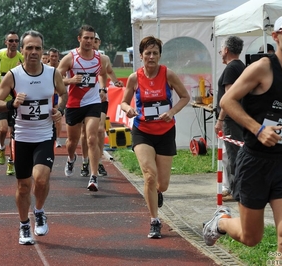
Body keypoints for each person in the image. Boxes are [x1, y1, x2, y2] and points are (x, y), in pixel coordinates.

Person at [203, 14, 282, 261]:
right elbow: (227, 101)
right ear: (276, 36)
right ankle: (221, 222)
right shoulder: (262, 68)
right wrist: (258, 129)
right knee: (251, 237)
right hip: (255, 161)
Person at [0, 30, 67, 245]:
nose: (33, 52)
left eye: (37, 48)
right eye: (29, 48)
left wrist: (60, 109)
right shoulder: (14, 76)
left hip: (44, 135)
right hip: (22, 136)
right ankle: (24, 225)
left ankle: (39, 210)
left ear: (42, 50)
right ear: (22, 50)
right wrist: (11, 104)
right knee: (24, 186)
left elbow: (63, 94)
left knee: (41, 179)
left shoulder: (52, 73)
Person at [121, 36, 190, 239]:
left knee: (163, 184)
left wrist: (172, 112)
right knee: (149, 175)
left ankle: (157, 193)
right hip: (142, 130)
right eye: (147, 53)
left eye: (155, 53)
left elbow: (185, 97)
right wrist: (129, 109)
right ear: (141, 56)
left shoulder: (168, 74)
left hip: (166, 131)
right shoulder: (135, 78)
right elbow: (124, 102)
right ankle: (154, 220)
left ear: (160, 55)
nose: (151, 57)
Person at [57, 25, 107, 192]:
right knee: (72, 142)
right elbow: (56, 78)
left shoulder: (101, 58)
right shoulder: (70, 58)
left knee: (92, 138)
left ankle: (93, 177)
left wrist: (102, 89)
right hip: (74, 104)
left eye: (92, 38)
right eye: (86, 38)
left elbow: (103, 73)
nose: (89, 41)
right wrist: (71, 81)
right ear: (79, 39)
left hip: (92, 103)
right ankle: (71, 158)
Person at [80, 32, 124, 177]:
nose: (93, 43)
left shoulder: (103, 58)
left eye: (96, 40)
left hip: (101, 99)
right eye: (91, 40)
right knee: (84, 133)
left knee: (99, 130)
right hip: (84, 99)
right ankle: (85, 161)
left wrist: (115, 81)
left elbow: (109, 71)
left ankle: (98, 162)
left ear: (98, 42)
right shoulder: (79, 57)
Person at [0, 31, 23, 176]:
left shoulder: (21, 58)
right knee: (2, 130)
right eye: (11, 41)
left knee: (14, 134)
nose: (14, 43)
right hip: (0, 99)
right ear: (5, 42)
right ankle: (1, 148)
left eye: (16, 41)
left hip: (14, 101)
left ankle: (11, 162)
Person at [215, 36, 246, 202]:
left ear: (226, 50)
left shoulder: (231, 69)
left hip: (231, 120)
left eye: (221, 49)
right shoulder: (241, 66)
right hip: (238, 118)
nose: (220, 52)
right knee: (234, 154)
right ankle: (235, 188)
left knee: (234, 156)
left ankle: (236, 191)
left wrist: (220, 119)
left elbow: (229, 97)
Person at [47, 48, 62, 148]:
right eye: (52, 56)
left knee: (57, 118)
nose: (54, 58)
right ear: (48, 57)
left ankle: (57, 138)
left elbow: (66, 80)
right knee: (47, 117)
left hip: (57, 95)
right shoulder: (44, 67)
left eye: (55, 56)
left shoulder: (62, 66)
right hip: (47, 95)